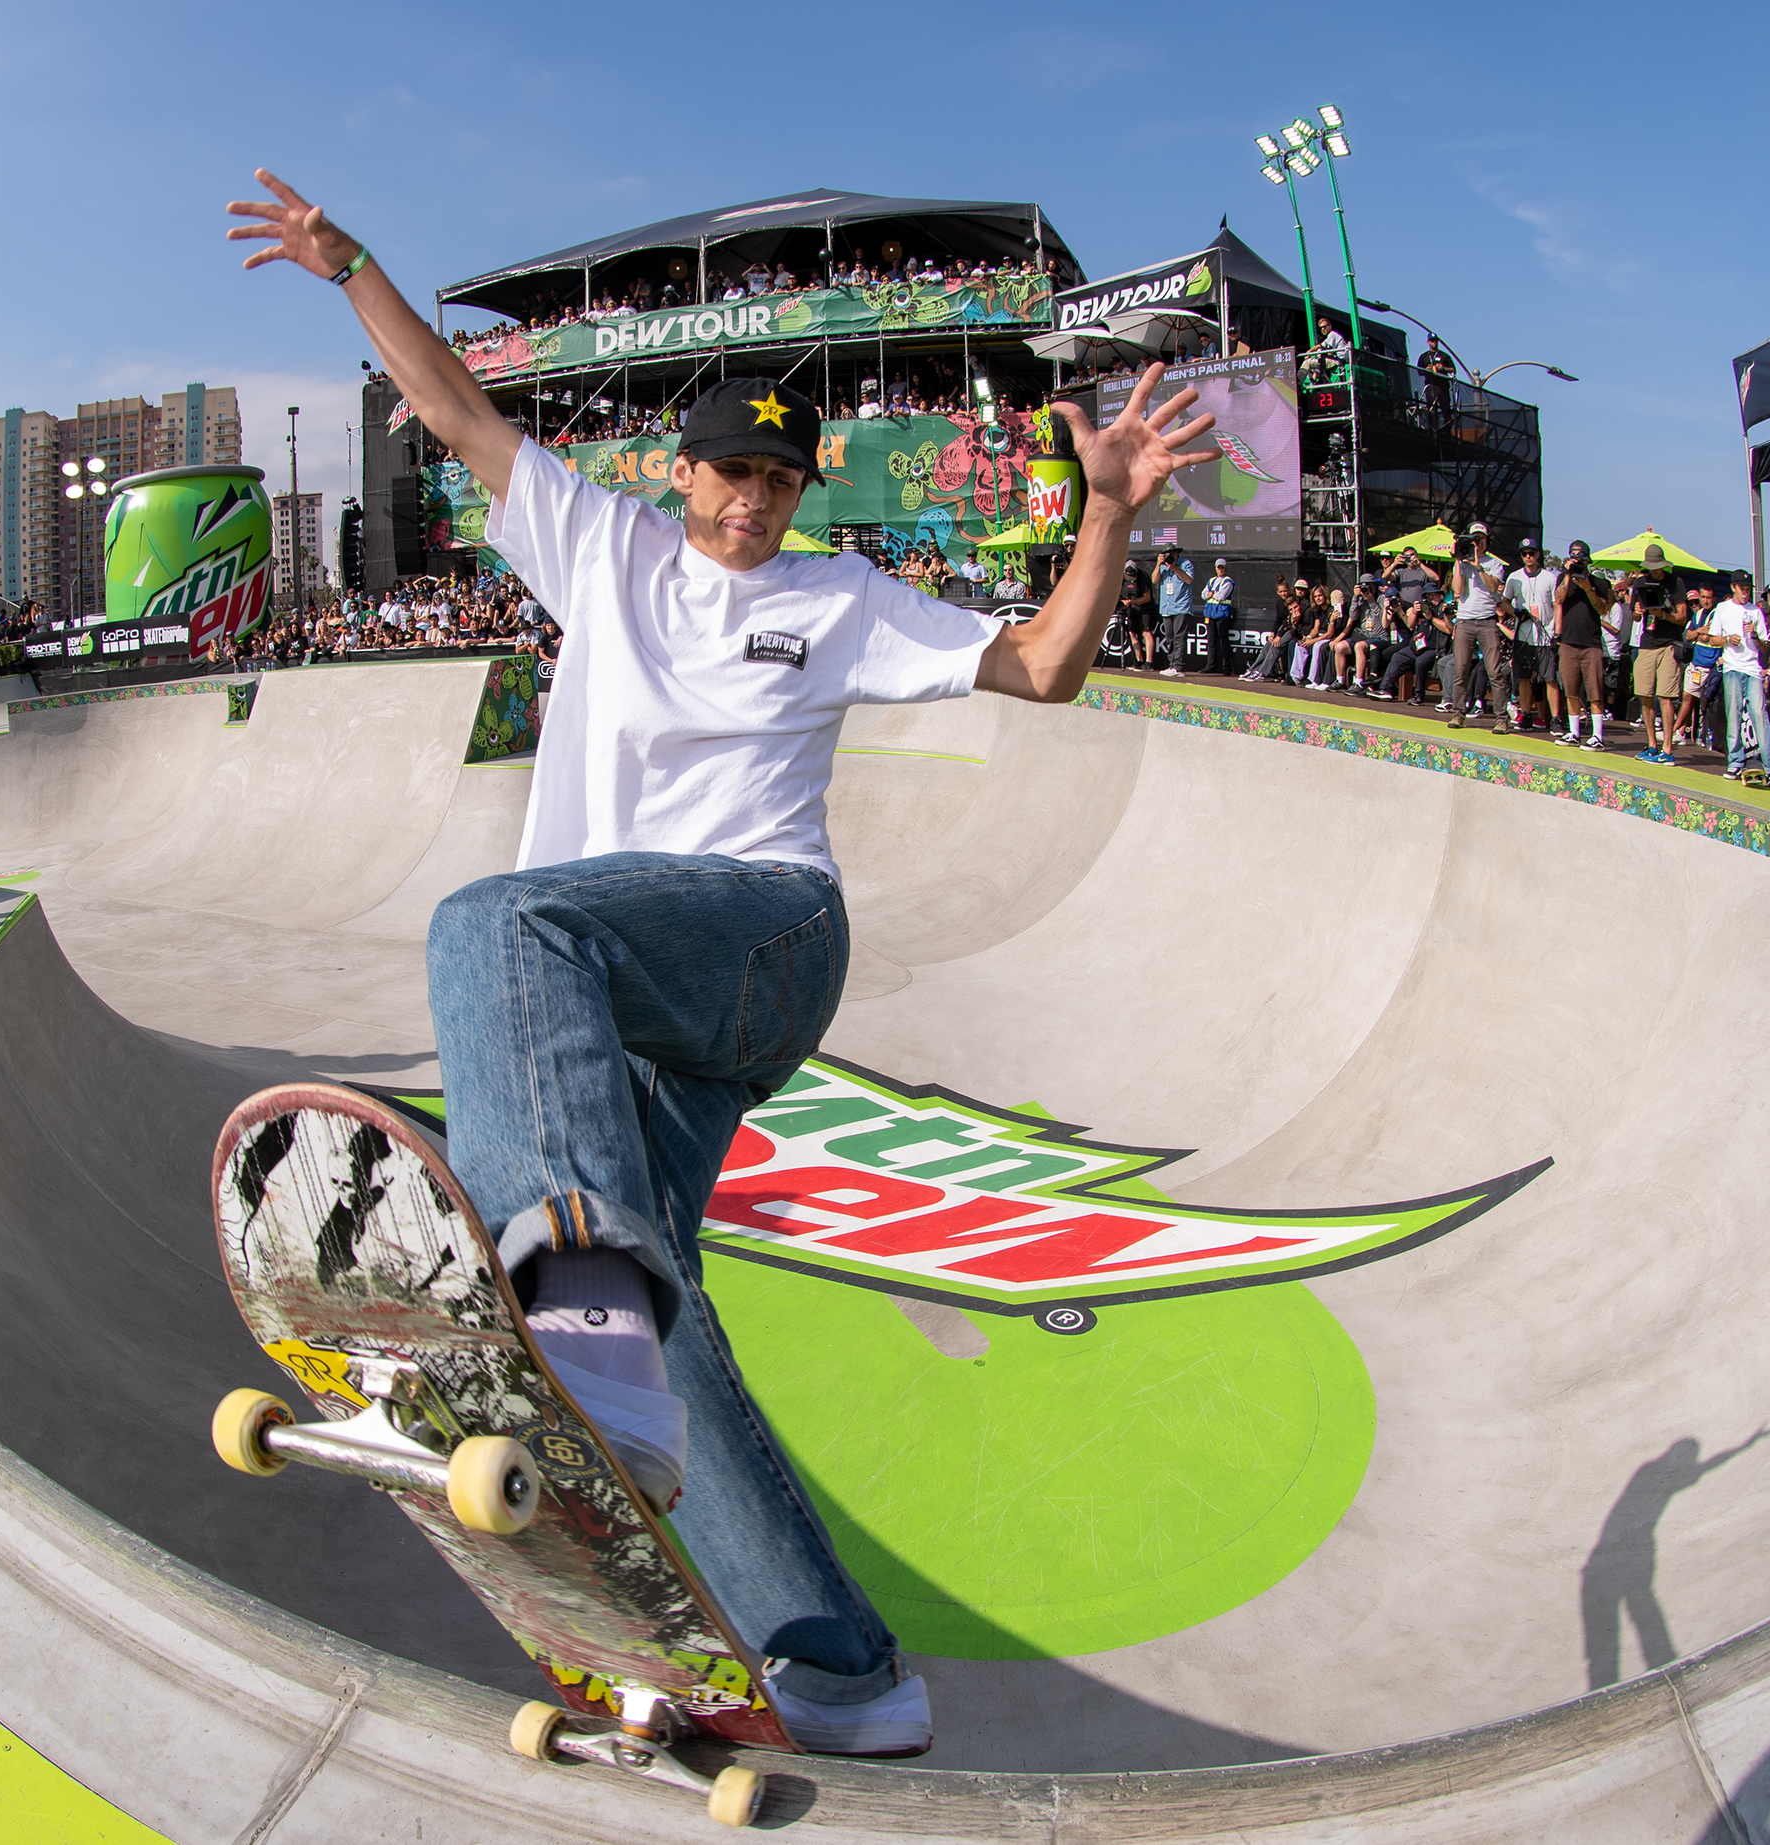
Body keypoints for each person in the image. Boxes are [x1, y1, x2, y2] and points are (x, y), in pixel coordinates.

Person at [228, 166, 1219, 1758]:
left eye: (780, 480)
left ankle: (571, 1318)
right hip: (623, 1002)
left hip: (763, 937)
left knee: (495, 920)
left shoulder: (838, 598)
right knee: (661, 1296)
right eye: (732, 475)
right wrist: (350, 269)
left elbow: (1042, 667)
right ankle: (843, 1668)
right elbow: (457, 404)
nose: (754, 503)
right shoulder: (599, 547)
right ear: (681, 474)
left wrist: (1104, 512)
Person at [1705, 572, 1770, 783]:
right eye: (1742, 588)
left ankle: (1768, 765)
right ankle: (1735, 761)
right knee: (1733, 714)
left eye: (1748, 588)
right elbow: (1712, 639)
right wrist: (1727, 639)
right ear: (1733, 587)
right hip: (1732, 668)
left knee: (1758, 713)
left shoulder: (1756, 611)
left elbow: (1764, 647)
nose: (1746, 592)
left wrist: (1754, 635)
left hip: (1752, 668)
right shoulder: (1723, 609)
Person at [1445, 524, 1512, 731]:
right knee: (1460, 670)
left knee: (1495, 671)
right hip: (1465, 621)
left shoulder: (1494, 563)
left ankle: (1501, 718)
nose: (1477, 541)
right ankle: (1458, 714)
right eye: (1474, 538)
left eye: (1480, 537)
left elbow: (1493, 587)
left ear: (1486, 540)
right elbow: (1457, 590)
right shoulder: (1463, 562)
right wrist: (1458, 561)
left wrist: (1478, 566)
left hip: (1487, 621)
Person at [1628, 545, 1687, 763]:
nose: (1655, 572)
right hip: (1646, 643)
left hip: (1669, 644)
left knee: (1665, 696)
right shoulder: (1640, 583)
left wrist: (1662, 614)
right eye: (1651, 568)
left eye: (1658, 568)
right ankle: (1652, 745)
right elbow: (1634, 616)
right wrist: (1637, 611)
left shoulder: (1675, 583)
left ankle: (1668, 750)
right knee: (1645, 694)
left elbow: (1682, 617)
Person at [1553, 542, 1611, 750]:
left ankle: (1598, 735)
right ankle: (1574, 732)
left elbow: (1602, 609)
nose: (1577, 560)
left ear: (1588, 560)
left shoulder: (1599, 582)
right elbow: (1558, 599)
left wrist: (1588, 588)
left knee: (1595, 691)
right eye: (1573, 556)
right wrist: (1569, 575)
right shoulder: (1564, 579)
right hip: (1568, 642)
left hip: (1591, 644)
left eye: (1581, 557)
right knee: (1570, 690)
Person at [1504, 541, 1561, 733]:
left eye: (1531, 553)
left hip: (1545, 635)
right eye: (1524, 553)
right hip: (1523, 635)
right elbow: (1504, 602)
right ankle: (1526, 715)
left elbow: (1557, 605)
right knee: (1524, 677)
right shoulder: (1514, 577)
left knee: (1549, 678)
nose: (1527, 556)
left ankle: (1555, 719)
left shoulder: (1550, 577)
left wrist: (1557, 632)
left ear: (1537, 554)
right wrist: (1515, 612)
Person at [1153, 545, 1196, 677]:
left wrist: (1175, 568)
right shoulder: (1163, 566)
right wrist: (1158, 564)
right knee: (1169, 637)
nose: (1169, 556)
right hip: (1167, 607)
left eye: (1171, 553)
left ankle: (1179, 667)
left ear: (1177, 553)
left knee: (1179, 637)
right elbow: (1154, 580)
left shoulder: (1185, 564)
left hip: (1181, 606)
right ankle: (1172, 665)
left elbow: (1189, 580)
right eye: (1166, 554)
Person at [1200, 557, 1236, 675]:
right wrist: (1211, 594)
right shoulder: (1211, 581)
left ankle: (1227, 668)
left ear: (1225, 568)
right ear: (1215, 568)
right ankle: (1210, 666)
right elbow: (1203, 594)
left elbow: (1221, 596)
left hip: (1222, 614)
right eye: (1218, 567)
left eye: (1222, 567)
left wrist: (1211, 594)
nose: (1220, 569)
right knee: (1211, 641)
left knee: (1223, 640)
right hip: (1210, 614)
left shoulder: (1228, 581)